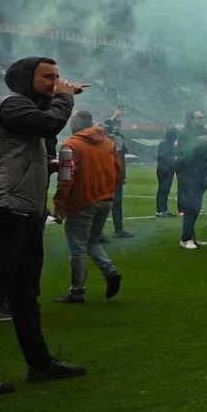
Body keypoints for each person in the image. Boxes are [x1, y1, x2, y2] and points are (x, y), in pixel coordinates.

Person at [0, 57, 87, 397]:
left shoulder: (28, 109)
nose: (55, 81)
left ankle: (39, 363)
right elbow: (48, 124)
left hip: (25, 212)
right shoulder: (13, 104)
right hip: (1, 210)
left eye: (58, 76)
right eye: (48, 76)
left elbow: (26, 148)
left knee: (26, 293)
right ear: (24, 78)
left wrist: (51, 165)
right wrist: (65, 97)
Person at [51, 111, 123, 304]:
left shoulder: (70, 145)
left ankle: (77, 292)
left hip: (82, 203)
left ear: (74, 125)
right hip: (106, 200)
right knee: (92, 241)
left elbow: (66, 178)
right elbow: (118, 170)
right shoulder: (108, 143)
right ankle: (109, 271)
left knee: (78, 249)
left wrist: (58, 206)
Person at [175, 110, 207, 249]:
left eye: (203, 117)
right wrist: (198, 142)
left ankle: (192, 237)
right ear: (191, 119)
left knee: (196, 208)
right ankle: (185, 239)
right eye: (199, 118)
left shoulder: (203, 132)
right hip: (189, 175)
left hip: (200, 174)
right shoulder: (185, 133)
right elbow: (183, 154)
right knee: (191, 207)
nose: (203, 120)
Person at [102, 108, 132, 239]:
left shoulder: (120, 139)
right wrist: (114, 116)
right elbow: (104, 126)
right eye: (115, 125)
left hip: (117, 175)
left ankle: (119, 229)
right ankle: (98, 233)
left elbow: (122, 159)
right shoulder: (104, 137)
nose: (116, 128)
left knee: (117, 203)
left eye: (118, 125)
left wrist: (123, 175)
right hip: (106, 174)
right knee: (102, 204)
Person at [154, 126, 178, 217]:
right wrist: (173, 161)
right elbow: (162, 156)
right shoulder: (165, 144)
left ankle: (164, 210)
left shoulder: (168, 144)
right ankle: (160, 211)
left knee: (165, 190)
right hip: (165, 169)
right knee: (163, 190)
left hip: (167, 169)